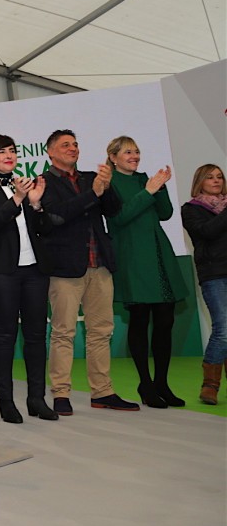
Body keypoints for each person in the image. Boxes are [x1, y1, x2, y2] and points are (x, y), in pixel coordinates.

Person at [40, 129, 138, 414]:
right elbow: (55, 217)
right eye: (65, 145)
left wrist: (106, 187)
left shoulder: (89, 178)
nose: (73, 148)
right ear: (50, 152)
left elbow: (113, 211)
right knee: (63, 332)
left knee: (101, 331)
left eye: (75, 144)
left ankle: (103, 392)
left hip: (100, 264)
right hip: (65, 268)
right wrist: (92, 193)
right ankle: (60, 393)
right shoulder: (43, 182)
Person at [0, 134, 58, 424]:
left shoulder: (28, 185)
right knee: (5, 335)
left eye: (12, 151)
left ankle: (36, 398)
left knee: (36, 336)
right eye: (1, 151)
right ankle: (5, 402)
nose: (9, 155)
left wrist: (36, 204)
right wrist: (17, 199)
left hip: (34, 270)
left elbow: (46, 228)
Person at [105, 136, 187, 408]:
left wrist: (159, 187)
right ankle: (145, 383)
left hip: (158, 255)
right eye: (128, 152)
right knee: (139, 320)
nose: (134, 156)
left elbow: (165, 213)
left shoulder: (145, 179)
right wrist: (148, 192)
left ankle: (162, 382)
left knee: (165, 321)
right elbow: (119, 218)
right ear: (113, 157)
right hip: (132, 257)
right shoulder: (109, 183)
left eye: (137, 151)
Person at [181, 164, 226, 405]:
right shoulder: (191, 209)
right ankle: (210, 385)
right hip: (214, 274)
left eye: (219, 177)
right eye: (210, 177)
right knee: (223, 328)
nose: (216, 181)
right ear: (200, 181)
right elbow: (207, 232)